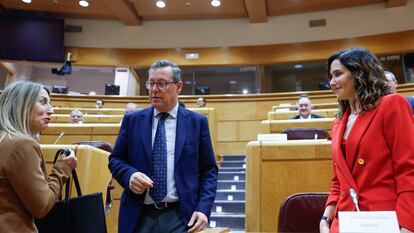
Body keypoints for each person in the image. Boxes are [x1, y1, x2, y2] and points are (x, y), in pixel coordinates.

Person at [109, 60, 218, 233]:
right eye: (151, 83)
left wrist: (203, 209)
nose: (153, 89)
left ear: (179, 86)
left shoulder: (197, 123)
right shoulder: (133, 120)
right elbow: (115, 159)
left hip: (181, 216)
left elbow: (209, 170)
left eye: (161, 83)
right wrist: (130, 176)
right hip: (138, 216)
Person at [320, 48, 414, 233]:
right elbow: (338, 180)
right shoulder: (339, 122)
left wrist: (407, 226)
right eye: (330, 76)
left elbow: (408, 171)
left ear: (359, 73)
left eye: (338, 74)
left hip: (384, 220)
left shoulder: (391, 105)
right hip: (344, 221)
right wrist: (326, 218)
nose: (332, 82)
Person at [0, 81, 77, 232]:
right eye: (43, 102)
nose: (51, 110)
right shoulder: (21, 144)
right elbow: (41, 207)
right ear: (21, 104)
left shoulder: (5, 140)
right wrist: (62, 169)